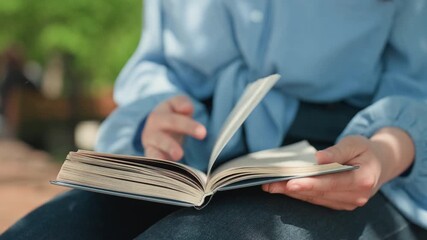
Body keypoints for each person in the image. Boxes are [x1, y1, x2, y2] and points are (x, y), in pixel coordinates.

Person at [2, 0, 427, 239]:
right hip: (202, 155)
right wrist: (157, 111)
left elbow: (417, 82)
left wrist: (392, 148)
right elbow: (158, 62)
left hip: (346, 162)